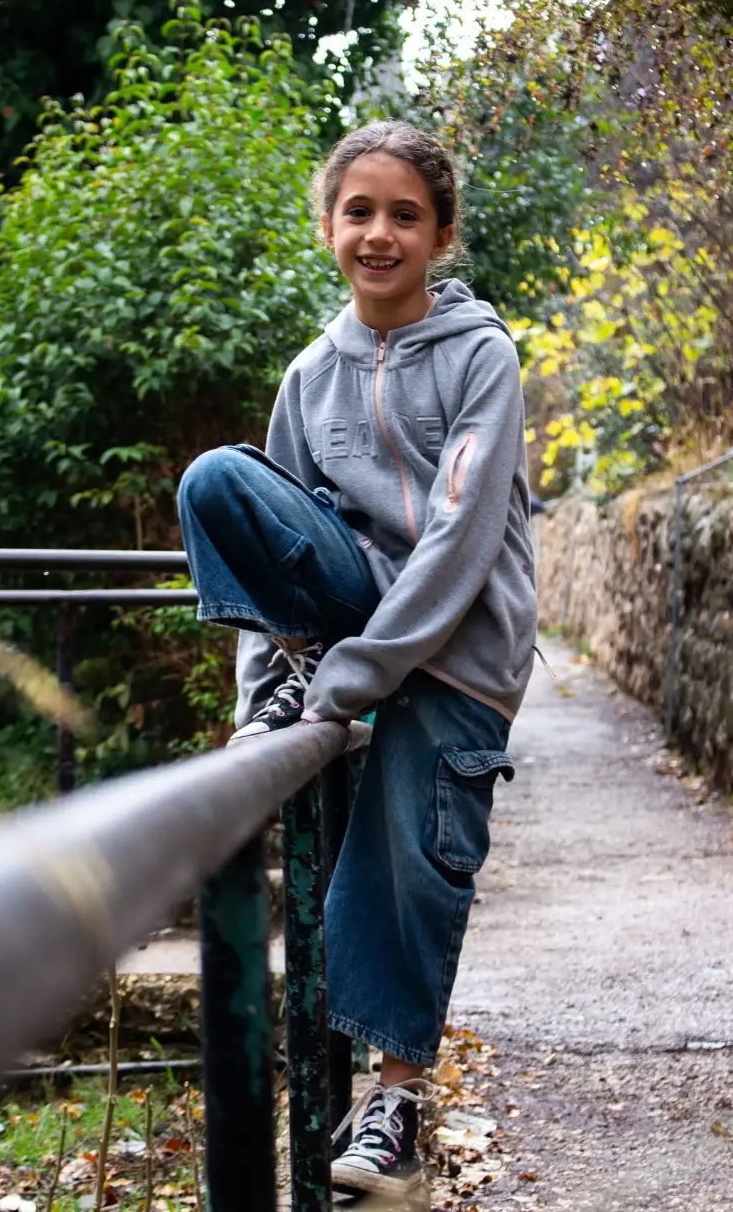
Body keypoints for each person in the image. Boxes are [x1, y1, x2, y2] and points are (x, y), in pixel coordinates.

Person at [177, 120, 538, 1205]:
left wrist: (361, 674)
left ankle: (391, 1105)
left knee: (410, 856)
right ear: (329, 224)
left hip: (457, 643)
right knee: (213, 483)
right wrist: (268, 703)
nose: (378, 233)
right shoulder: (308, 373)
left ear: (439, 234)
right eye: (358, 211)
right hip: (341, 633)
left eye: (404, 215)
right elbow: (268, 536)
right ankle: (307, 678)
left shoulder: (482, 357)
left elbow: (460, 536)